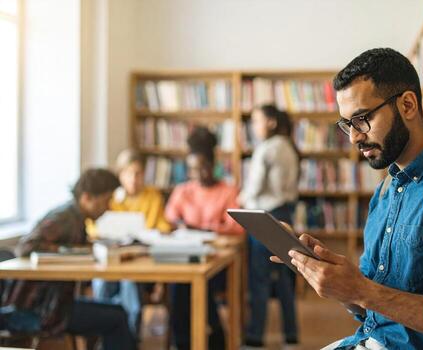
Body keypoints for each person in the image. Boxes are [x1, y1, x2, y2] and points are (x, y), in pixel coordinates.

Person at [275, 48, 423, 349]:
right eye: (347, 124)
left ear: (408, 105)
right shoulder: (385, 191)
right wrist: (333, 280)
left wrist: (363, 291)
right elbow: (371, 310)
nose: (354, 138)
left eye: (361, 119)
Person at [2, 168, 135, 350]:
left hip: (54, 303)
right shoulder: (65, 218)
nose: (109, 207)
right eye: (106, 201)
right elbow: (26, 246)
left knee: (117, 311)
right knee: (117, 317)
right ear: (87, 197)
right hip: (42, 308)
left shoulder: (75, 217)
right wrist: (74, 250)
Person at [165, 126, 245, 350]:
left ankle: (202, 338)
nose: (198, 175)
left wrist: (200, 228)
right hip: (185, 258)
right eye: (192, 170)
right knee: (180, 283)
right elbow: (170, 219)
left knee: (194, 283)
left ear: (213, 165)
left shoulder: (228, 191)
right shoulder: (183, 190)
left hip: (216, 262)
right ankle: (196, 339)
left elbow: (236, 227)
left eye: (204, 168)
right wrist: (211, 227)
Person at [91, 149, 172, 339]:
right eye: (129, 173)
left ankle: (130, 337)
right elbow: (94, 228)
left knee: (129, 282)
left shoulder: (153, 196)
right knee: (102, 280)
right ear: (121, 175)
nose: (134, 179)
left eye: (138, 173)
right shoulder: (110, 199)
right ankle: (103, 335)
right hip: (111, 259)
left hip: (140, 260)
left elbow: (163, 227)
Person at [239, 105, 300, 348]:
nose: (253, 127)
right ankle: (291, 336)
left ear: (272, 122)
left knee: (260, 279)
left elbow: (253, 189)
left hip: (264, 216)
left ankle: (255, 338)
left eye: (256, 121)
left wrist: (239, 200)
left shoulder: (266, 149)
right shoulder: (289, 147)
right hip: (285, 213)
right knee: (285, 279)